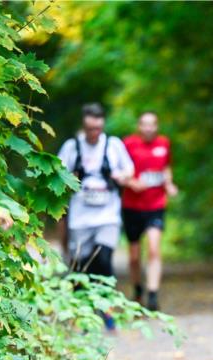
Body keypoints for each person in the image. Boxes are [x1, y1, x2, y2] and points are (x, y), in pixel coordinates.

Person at [56, 103, 134, 330]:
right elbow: (57, 174)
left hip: (107, 215)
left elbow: (130, 171)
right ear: (84, 125)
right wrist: (70, 178)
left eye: (98, 128)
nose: (94, 133)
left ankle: (108, 310)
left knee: (104, 259)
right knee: (81, 266)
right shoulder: (72, 147)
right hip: (80, 217)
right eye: (90, 129)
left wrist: (121, 176)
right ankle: (83, 316)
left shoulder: (113, 145)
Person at [122, 111, 178, 311]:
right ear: (139, 126)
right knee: (135, 256)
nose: (148, 128)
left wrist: (169, 184)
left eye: (152, 124)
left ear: (157, 126)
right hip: (132, 206)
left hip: (156, 205)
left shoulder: (164, 143)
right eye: (144, 124)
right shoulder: (128, 144)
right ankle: (138, 289)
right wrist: (131, 182)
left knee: (154, 248)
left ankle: (153, 295)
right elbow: (119, 170)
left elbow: (165, 168)